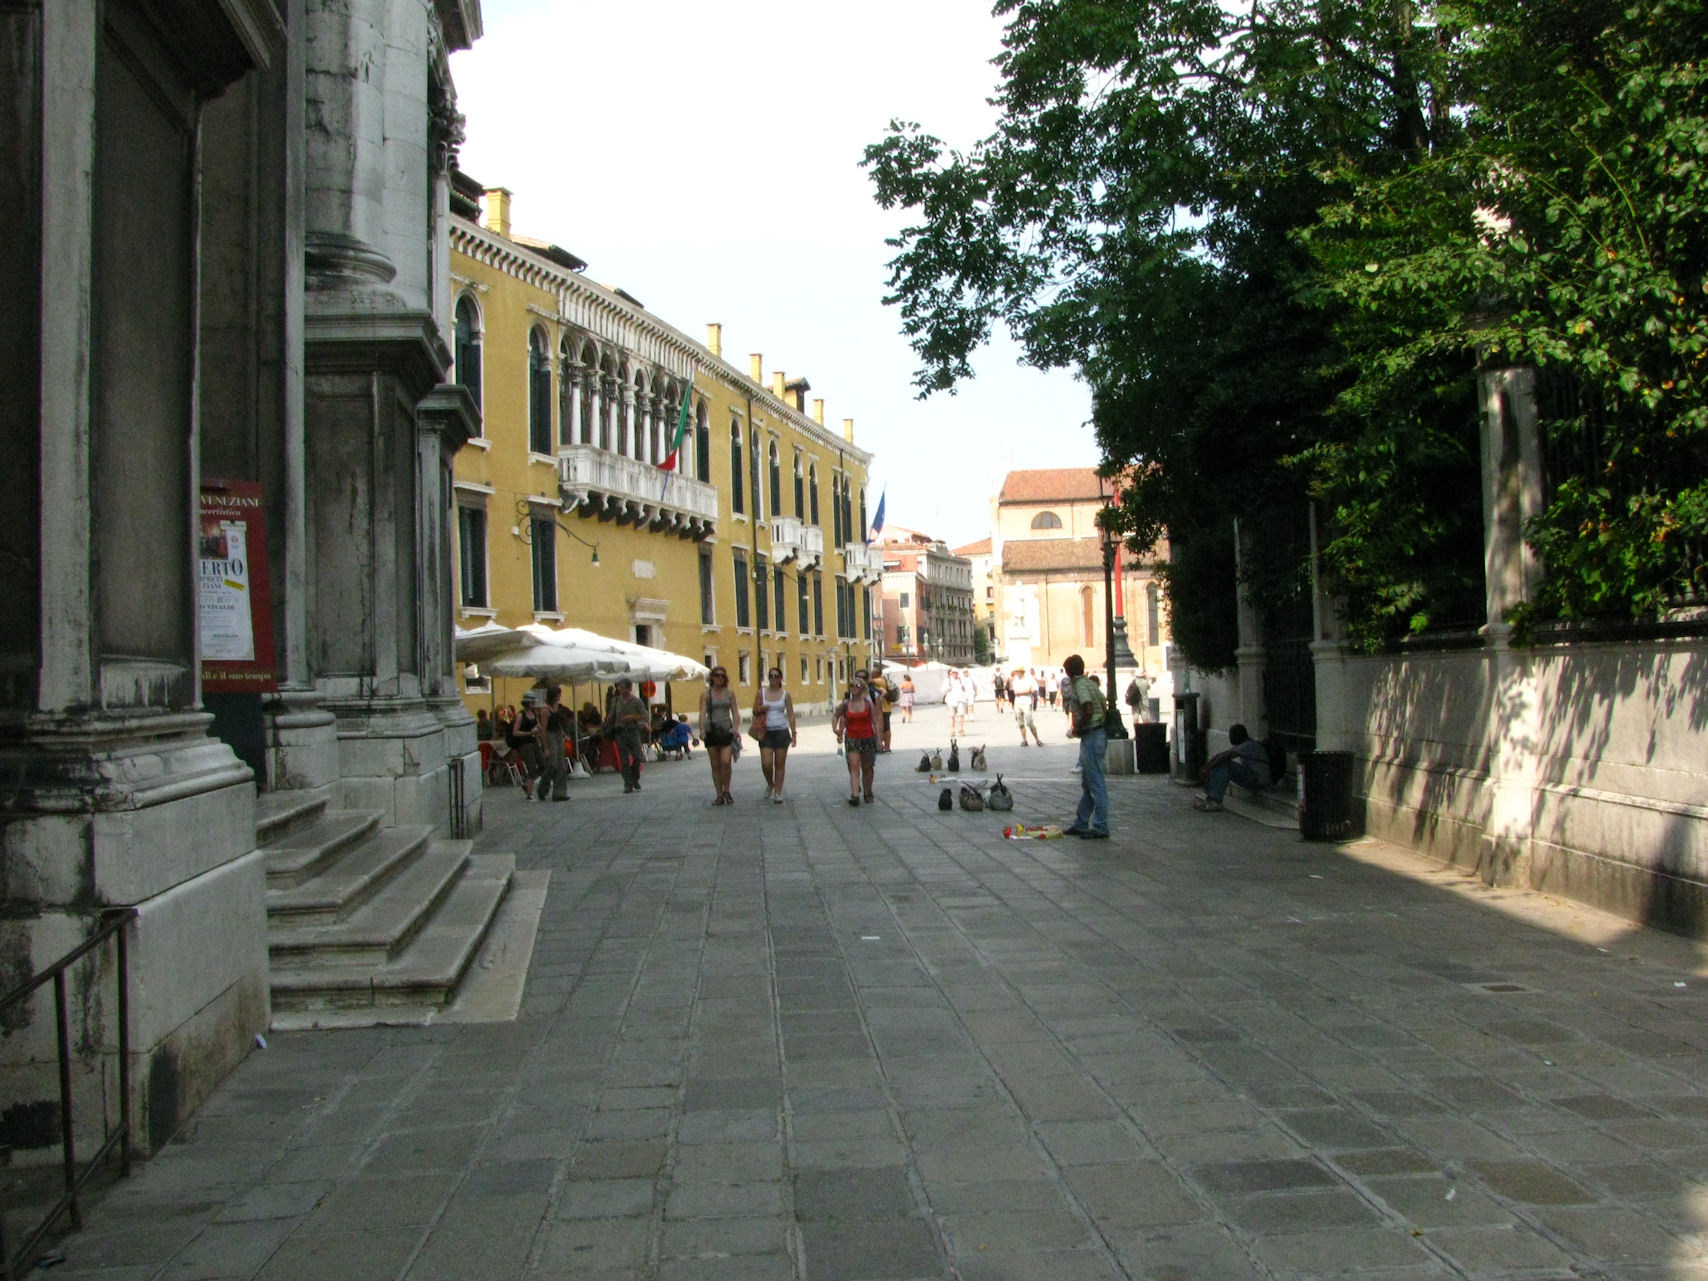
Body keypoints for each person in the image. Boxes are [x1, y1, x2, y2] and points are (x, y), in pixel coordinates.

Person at [1062, 654, 1110, 839]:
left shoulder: (1080, 686)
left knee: (1096, 783)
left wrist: (1078, 727)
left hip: (1091, 734)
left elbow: (1088, 709)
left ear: (1070, 671)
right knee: (1088, 783)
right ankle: (1081, 822)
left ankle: (1101, 826)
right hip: (1097, 733)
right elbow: (1103, 704)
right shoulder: (1090, 683)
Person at [1194, 724, 1272, 812]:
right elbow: (1220, 755)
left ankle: (1216, 801)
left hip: (1259, 780)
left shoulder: (1249, 745)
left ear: (1239, 735)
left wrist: (1207, 769)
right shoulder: (1243, 744)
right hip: (1252, 777)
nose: (1230, 738)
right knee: (1219, 763)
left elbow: (1225, 756)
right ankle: (1210, 798)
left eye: (1231, 735)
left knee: (1225, 764)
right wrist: (1205, 768)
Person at [750, 666, 799, 803]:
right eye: (771, 676)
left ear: (780, 679)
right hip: (766, 732)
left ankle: (778, 792)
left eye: (776, 676)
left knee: (779, 764)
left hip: (781, 731)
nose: (773, 678)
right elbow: (754, 711)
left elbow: (790, 714)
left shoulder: (785, 695)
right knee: (766, 763)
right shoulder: (761, 693)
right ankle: (770, 783)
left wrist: (794, 733)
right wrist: (760, 708)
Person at [833, 672, 881, 806]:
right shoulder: (845, 704)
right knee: (853, 766)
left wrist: (878, 739)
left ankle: (867, 792)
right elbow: (836, 716)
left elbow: (875, 721)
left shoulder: (868, 704)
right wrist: (835, 729)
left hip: (867, 738)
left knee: (867, 767)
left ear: (862, 688)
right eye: (852, 686)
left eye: (857, 686)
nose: (854, 688)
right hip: (852, 738)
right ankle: (855, 795)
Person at [698, 666, 741, 805]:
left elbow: (735, 712)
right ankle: (719, 794)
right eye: (717, 675)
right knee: (715, 765)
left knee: (726, 761)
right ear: (712, 677)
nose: (719, 678)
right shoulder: (706, 694)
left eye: (722, 676)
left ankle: (727, 790)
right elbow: (702, 713)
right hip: (711, 731)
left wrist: (735, 728)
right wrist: (701, 730)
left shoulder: (730, 693)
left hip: (726, 730)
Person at [604, 677, 650, 794]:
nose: (620, 690)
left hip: (633, 731)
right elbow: (610, 715)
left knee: (637, 756)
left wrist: (633, 717)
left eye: (623, 688)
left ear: (629, 689)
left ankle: (635, 778)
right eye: (619, 688)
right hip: (620, 732)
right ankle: (628, 784)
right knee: (624, 760)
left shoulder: (636, 701)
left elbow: (645, 716)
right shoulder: (616, 701)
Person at [539, 684, 571, 802]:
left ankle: (560, 793)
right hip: (549, 735)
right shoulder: (545, 710)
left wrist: (563, 734)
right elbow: (543, 729)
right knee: (552, 764)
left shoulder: (557, 708)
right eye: (559, 694)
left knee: (561, 765)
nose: (560, 696)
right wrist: (545, 747)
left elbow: (558, 724)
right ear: (554, 696)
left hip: (558, 735)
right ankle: (542, 788)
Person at [509, 694, 543, 800]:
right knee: (531, 767)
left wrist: (538, 729)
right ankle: (529, 793)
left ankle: (527, 785)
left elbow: (537, 725)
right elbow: (515, 732)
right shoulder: (521, 715)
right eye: (533, 702)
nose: (534, 704)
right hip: (525, 744)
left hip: (534, 742)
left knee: (542, 765)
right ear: (528, 703)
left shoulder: (534, 714)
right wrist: (529, 733)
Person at [1010, 668, 1043, 747]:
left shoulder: (1028, 680)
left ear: (1022, 672)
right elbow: (1016, 692)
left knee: (1029, 722)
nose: (1016, 674)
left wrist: (1024, 692)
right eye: (1016, 672)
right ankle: (1024, 740)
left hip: (1027, 702)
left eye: (1018, 672)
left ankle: (1037, 739)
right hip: (1018, 703)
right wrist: (1026, 691)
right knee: (1020, 723)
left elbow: (1031, 690)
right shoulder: (1015, 681)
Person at [867, 668, 894, 753]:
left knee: (885, 729)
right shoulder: (881, 680)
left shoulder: (879, 680)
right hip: (885, 708)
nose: (871, 674)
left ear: (877, 673)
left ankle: (886, 746)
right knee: (883, 728)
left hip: (884, 708)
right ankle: (882, 745)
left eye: (872, 673)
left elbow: (868, 681)